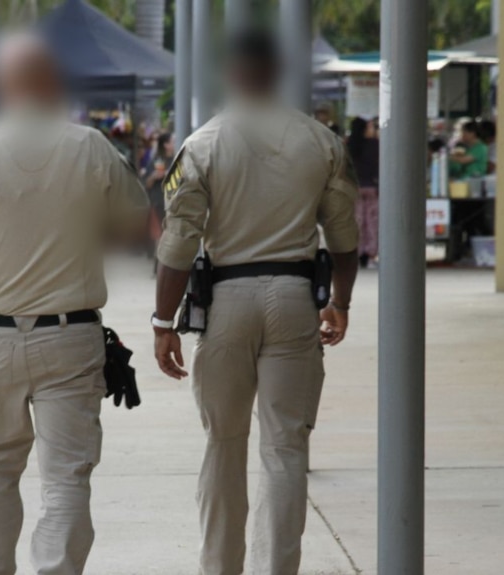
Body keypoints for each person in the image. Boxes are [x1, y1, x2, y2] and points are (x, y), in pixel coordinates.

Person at [0, 34, 148, 575]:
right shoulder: (91, 147)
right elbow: (134, 224)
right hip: (70, 335)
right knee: (66, 475)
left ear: (5, 86)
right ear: (51, 84)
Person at [150, 29, 359, 575]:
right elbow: (344, 239)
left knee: (223, 443)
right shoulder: (322, 142)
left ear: (231, 74)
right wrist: (341, 302)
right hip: (295, 299)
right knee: (286, 449)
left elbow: (178, 243)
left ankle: (220, 567)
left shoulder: (203, 144)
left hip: (226, 301)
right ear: (279, 72)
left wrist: (162, 321)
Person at [348, 117, 380, 268]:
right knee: (372, 221)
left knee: (357, 221)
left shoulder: (348, 145)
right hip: (371, 187)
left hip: (354, 188)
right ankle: (371, 255)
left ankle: (356, 253)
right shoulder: (375, 145)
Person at [143, 132, 175, 271]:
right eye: (172, 141)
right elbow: (146, 183)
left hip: (174, 202)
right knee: (159, 234)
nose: (174, 143)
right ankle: (160, 265)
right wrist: (155, 176)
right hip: (158, 201)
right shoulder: (157, 160)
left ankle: (164, 264)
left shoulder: (177, 159)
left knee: (170, 234)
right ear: (166, 144)